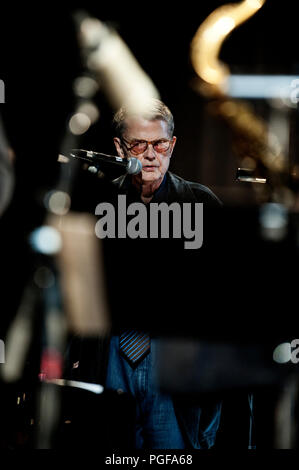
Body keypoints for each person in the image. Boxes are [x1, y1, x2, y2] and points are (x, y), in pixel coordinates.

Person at [102, 98, 222, 449]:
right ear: (119, 147)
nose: (151, 154)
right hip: (111, 351)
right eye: (139, 143)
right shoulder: (98, 203)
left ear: (172, 144)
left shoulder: (202, 205)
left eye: (160, 144)